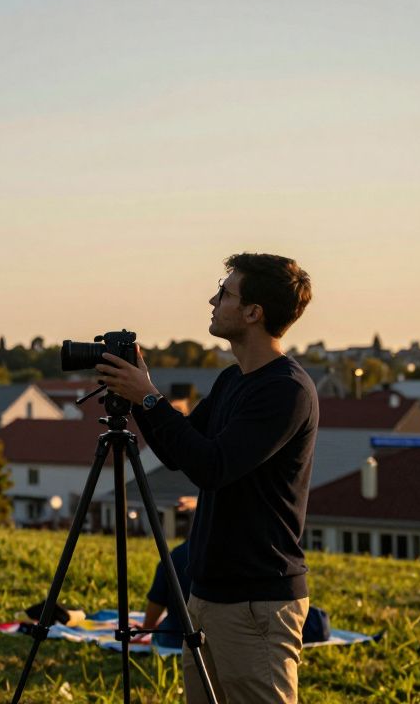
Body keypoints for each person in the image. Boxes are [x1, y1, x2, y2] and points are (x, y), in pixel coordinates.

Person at [97, 252, 317, 704]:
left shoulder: (286, 390)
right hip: (207, 595)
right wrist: (141, 395)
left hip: (257, 602)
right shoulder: (232, 379)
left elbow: (212, 467)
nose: (212, 300)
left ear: (254, 312)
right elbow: (181, 454)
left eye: (225, 292)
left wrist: (153, 400)